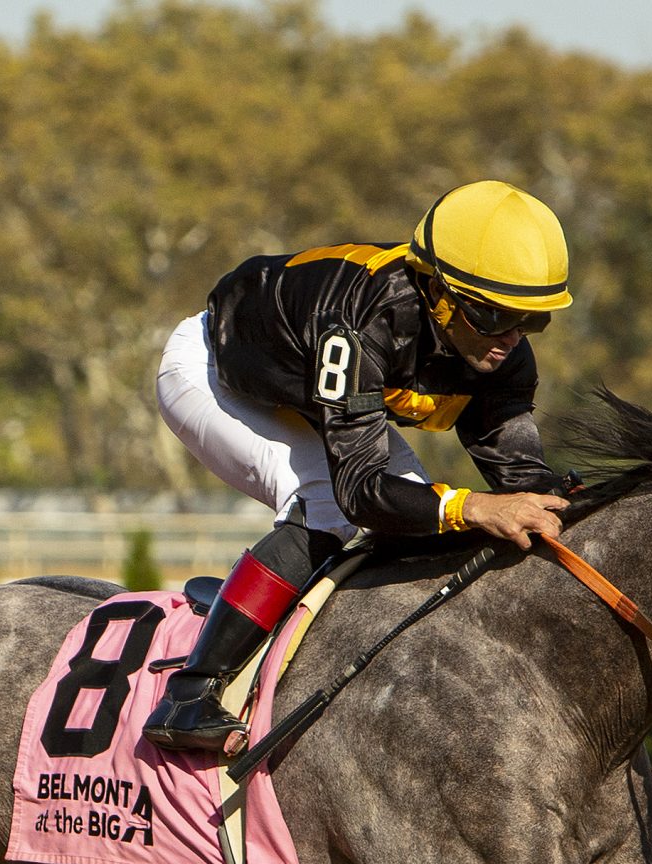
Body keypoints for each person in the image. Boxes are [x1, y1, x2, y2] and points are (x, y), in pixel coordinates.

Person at [143, 180, 576, 755]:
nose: (510, 339)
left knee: (421, 510)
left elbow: (523, 481)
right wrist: (472, 506)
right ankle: (191, 692)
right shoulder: (361, 317)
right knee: (326, 504)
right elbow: (361, 493)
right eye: (492, 315)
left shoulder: (504, 354)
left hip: (309, 397)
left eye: (530, 321)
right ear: (437, 291)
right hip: (217, 375)